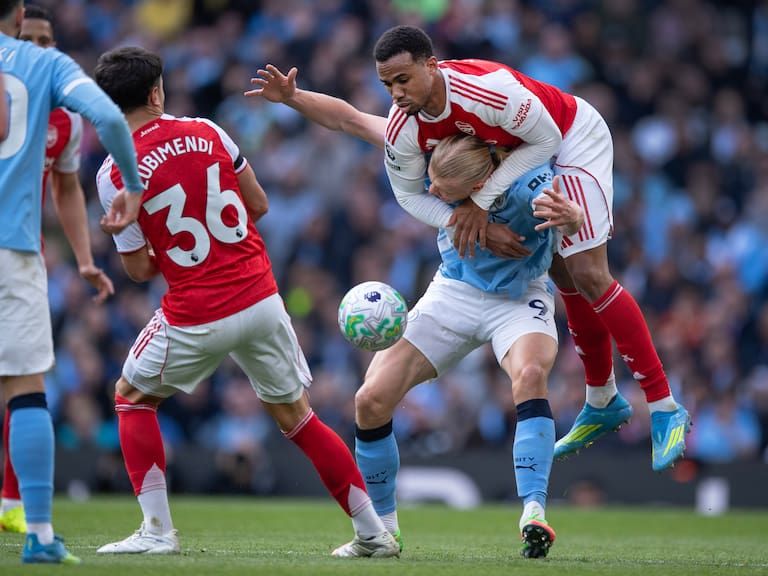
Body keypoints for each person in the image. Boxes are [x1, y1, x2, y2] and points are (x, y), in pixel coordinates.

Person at [246, 68, 585, 558]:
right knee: (370, 400)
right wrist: (293, 97)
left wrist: (571, 218)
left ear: (481, 184)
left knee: (530, 374)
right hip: (455, 291)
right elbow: (349, 120)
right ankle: (384, 532)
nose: (429, 189)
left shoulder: (530, 186)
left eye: (441, 188)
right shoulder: (432, 149)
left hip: (520, 296)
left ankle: (534, 511)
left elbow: (573, 214)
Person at [91, 45, 399, 559]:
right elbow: (258, 204)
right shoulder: (209, 131)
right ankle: (373, 533)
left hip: (197, 312)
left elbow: (142, 269)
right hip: (260, 297)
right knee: (300, 420)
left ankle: (157, 531)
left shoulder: (112, 173)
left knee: (130, 397)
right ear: (155, 92)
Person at [369, 25, 691, 472]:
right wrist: (465, 218)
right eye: (386, 84)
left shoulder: (486, 91)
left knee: (589, 273)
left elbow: (549, 141)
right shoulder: (406, 123)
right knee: (562, 272)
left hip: (570, 137)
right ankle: (601, 400)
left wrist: (481, 205)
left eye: (402, 80)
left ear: (430, 65)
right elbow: (406, 194)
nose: (395, 93)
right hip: (524, 162)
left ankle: (664, 405)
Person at [0, 0, 143, 564]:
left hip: (23, 248)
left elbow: (64, 189)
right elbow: (109, 117)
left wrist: (83, 259)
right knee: (26, 388)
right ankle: (38, 534)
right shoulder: (48, 68)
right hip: (13, 251)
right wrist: (131, 184)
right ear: (16, 15)